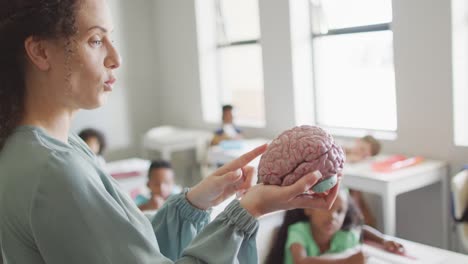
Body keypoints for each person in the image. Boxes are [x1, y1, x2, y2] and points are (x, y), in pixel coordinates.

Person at [0, 1, 342, 263]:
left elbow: (129, 250)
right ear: (41, 51)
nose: (116, 58)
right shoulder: (54, 171)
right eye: (95, 40)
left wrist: (193, 203)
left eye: (111, 40)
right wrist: (246, 212)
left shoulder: (50, 147)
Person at [266, 189, 404, 264]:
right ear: (308, 209)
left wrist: (383, 240)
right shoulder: (299, 231)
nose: (333, 217)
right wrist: (346, 262)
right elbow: (301, 261)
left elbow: (361, 230)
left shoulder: (343, 236)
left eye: (339, 211)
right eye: (326, 208)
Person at [344, 135, 381, 228]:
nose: (360, 153)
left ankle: (361, 224)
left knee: (356, 193)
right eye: (362, 149)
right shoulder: (342, 149)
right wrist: (351, 158)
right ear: (358, 141)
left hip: (351, 188)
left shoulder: (361, 161)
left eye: (365, 154)